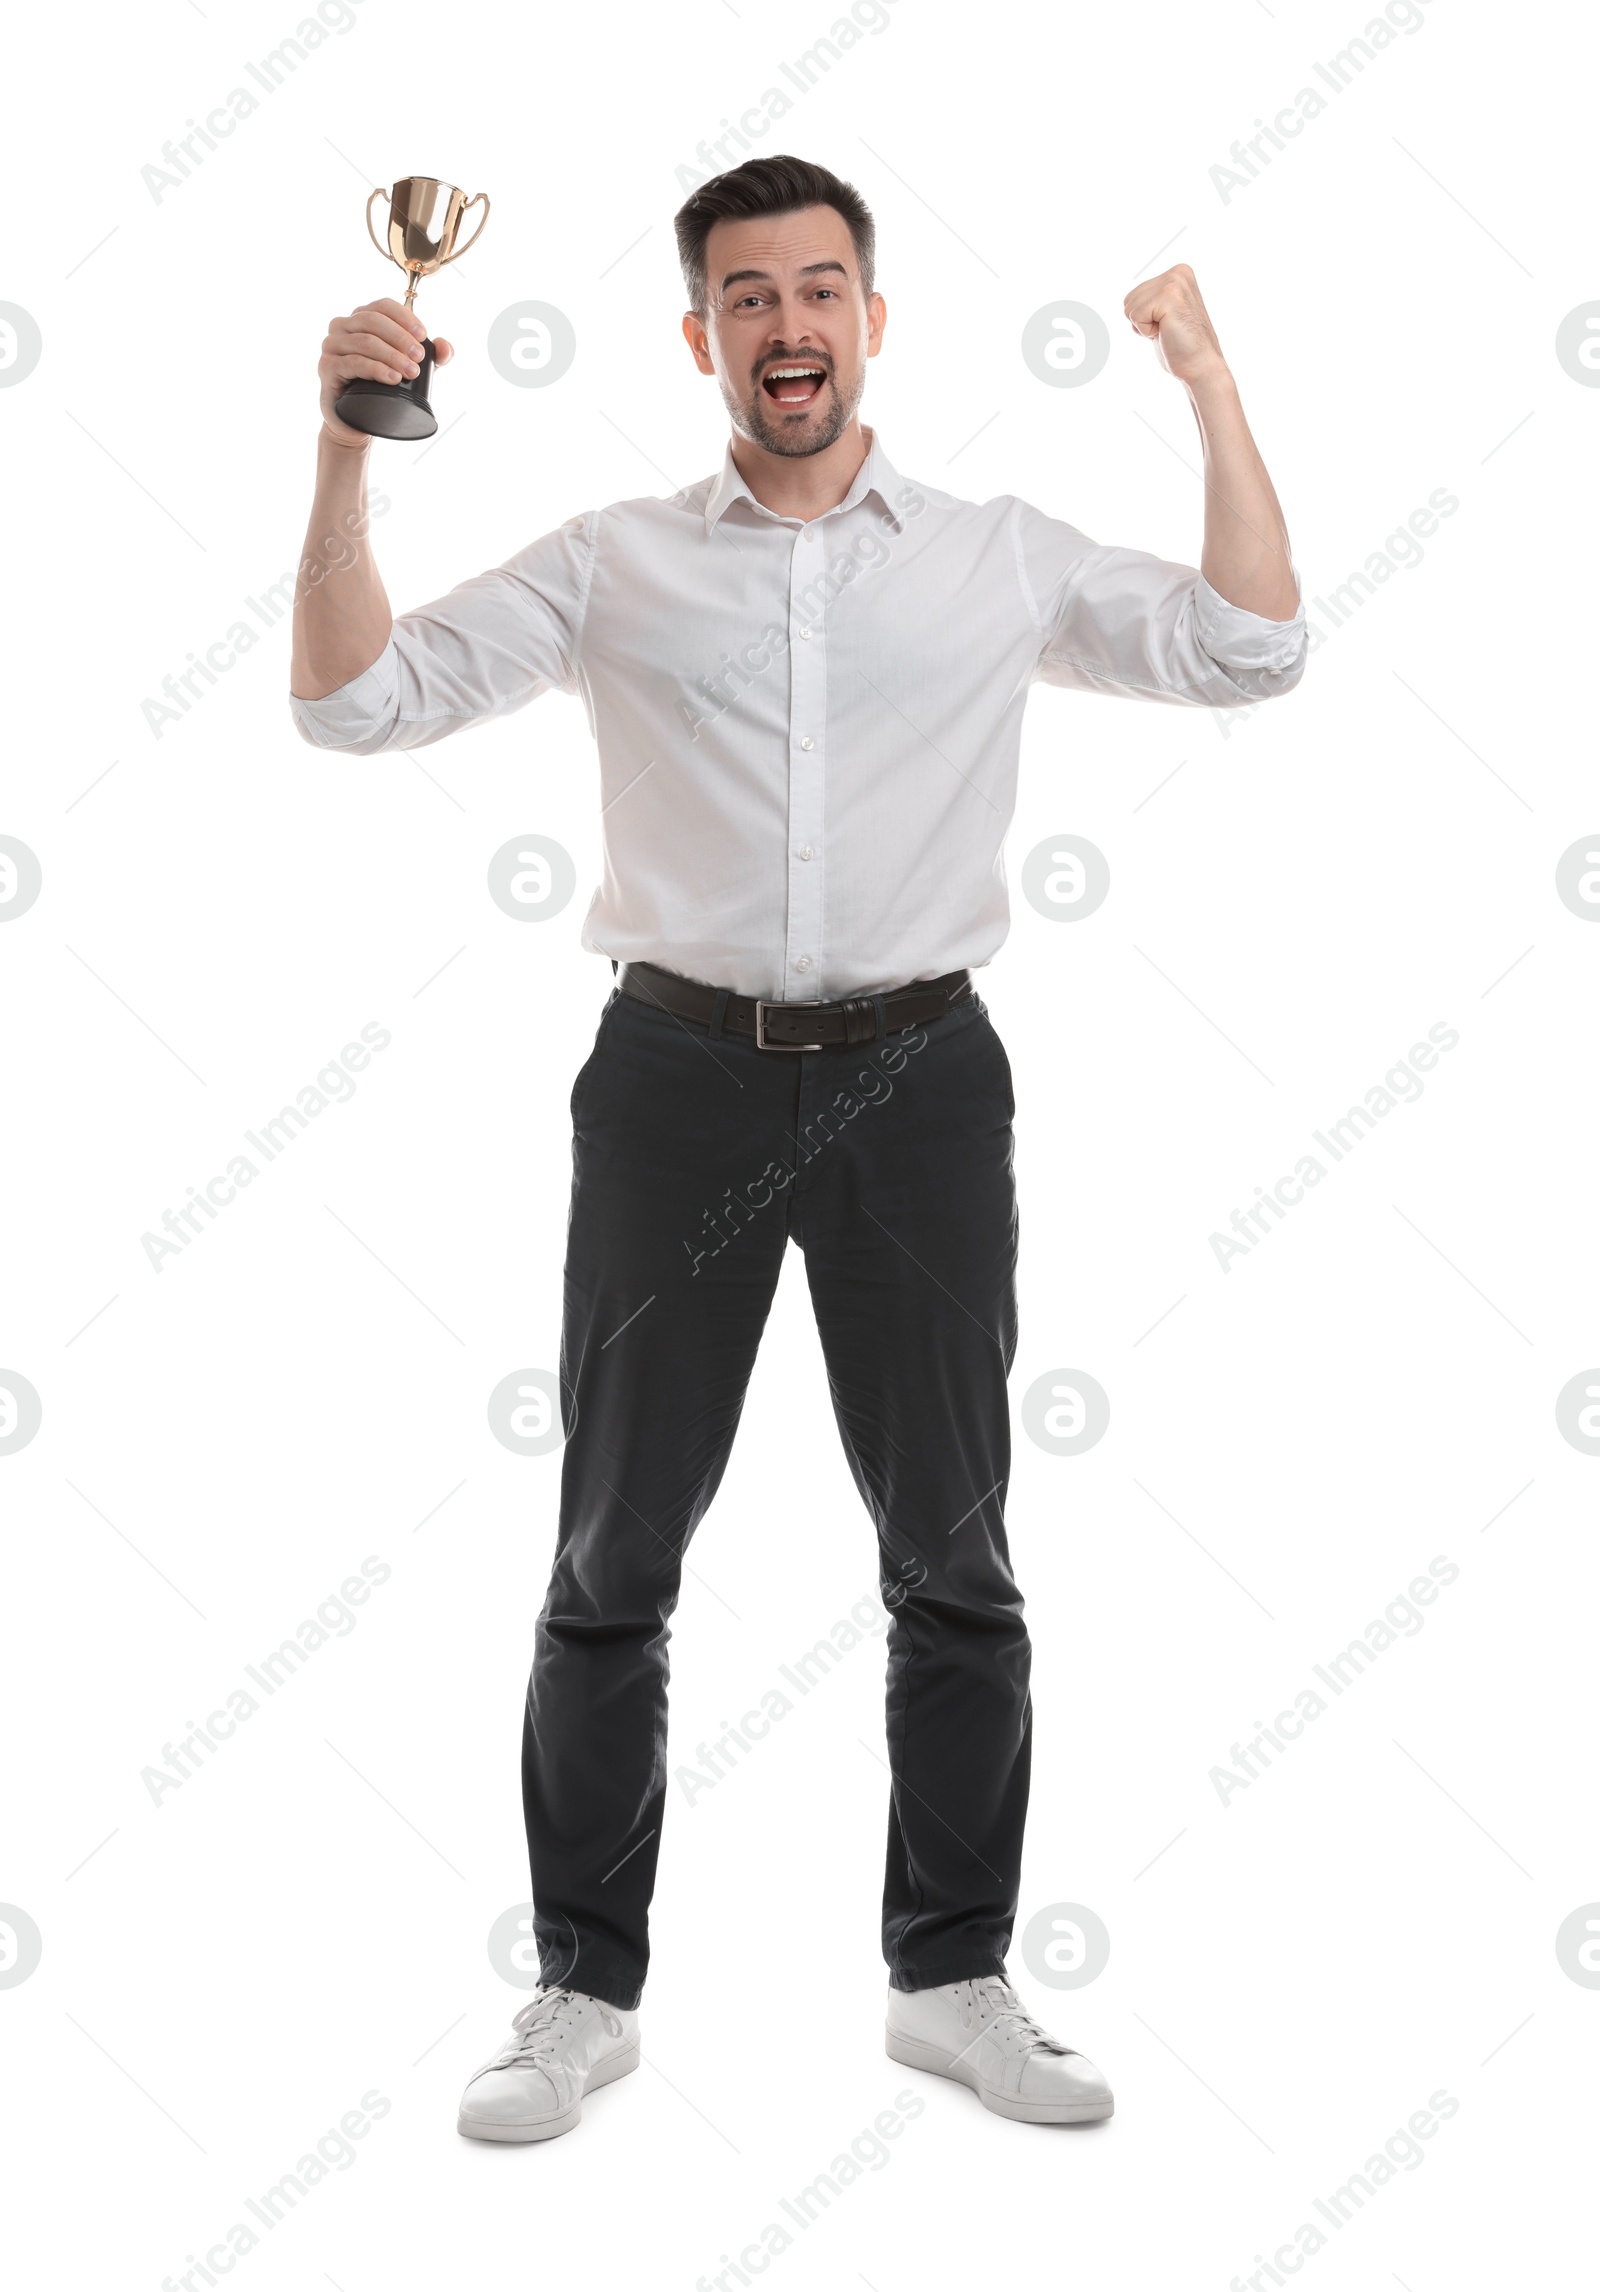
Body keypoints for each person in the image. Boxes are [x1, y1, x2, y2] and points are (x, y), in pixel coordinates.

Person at [290, 154, 1306, 2143]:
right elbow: (353, 703)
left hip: (919, 1089)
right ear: (699, 339)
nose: (786, 326)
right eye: (746, 297)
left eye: (818, 289)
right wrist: (343, 458)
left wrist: (1204, 379)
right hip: (671, 1087)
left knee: (953, 1552)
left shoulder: (995, 553)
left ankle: (949, 1977)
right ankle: (581, 1988)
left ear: (869, 321)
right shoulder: (611, 562)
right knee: (611, 1552)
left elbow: (1248, 651)